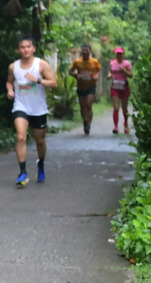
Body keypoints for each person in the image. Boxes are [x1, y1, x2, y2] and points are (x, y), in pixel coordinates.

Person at [6, 35, 58, 187]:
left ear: (33, 48)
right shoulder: (13, 67)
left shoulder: (41, 65)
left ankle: (40, 163)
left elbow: (54, 83)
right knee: (21, 137)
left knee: (39, 140)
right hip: (21, 106)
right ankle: (23, 172)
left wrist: (38, 80)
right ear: (18, 50)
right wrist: (10, 91)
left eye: (28, 46)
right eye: (22, 47)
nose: (25, 49)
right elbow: (9, 82)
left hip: (38, 109)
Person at [69, 43, 101, 135]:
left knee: (88, 105)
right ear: (81, 51)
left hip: (91, 86)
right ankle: (85, 121)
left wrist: (96, 76)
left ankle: (89, 125)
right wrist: (76, 75)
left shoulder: (94, 62)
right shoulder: (77, 62)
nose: (85, 52)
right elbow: (71, 71)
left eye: (87, 50)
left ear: (90, 51)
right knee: (82, 107)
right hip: (81, 86)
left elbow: (99, 70)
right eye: (84, 50)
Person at [107, 47, 133, 134]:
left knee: (124, 108)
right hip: (115, 86)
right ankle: (116, 127)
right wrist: (109, 75)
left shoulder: (126, 63)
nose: (119, 55)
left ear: (123, 54)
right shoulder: (112, 63)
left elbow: (131, 75)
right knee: (116, 107)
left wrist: (124, 70)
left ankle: (125, 124)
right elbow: (110, 71)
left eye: (120, 54)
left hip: (124, 87)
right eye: (117, 54)